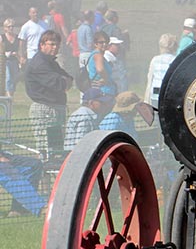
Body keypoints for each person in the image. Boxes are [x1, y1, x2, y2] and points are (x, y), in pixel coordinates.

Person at [23, 30, 73, 162]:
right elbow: (59, 83)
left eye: (57, 45)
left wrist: (65, 81)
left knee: (57, 149)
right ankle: (44, 180)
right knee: (46, 151)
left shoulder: (52, 62)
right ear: (42, 45)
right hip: (45, 110)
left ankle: (54, 179)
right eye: (51, 44)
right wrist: (64, 81)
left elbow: (69, 79)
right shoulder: (39, 63)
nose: (55, 47)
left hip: (56, 109)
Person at [64, 88, 114, 152]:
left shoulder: (87, 114)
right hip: (76, 155)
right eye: (101, 102)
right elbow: (80, 143)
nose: (103, 105)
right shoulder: (85, 117)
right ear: (91, 103)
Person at [145, 33, 178, 109]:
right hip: (169, 95)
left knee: (156, 117)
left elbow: (150, 81)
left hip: (155, 94)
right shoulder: (175, 60)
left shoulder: (155, 60)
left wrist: (146, 100)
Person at [86, 31, 116, 96]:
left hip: (98, 90)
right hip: (103, 92)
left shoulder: (94, 55)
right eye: (101, 42)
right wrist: (105, 79)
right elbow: (100, 69)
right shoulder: (98, 55)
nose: (104, 44)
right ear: (95, 44)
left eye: (106, 42)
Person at [2, 18, 18, 95]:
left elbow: (20, 48)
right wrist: (5, 53)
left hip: (15, 60)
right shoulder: (2, 37)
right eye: (9, 26)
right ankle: (8, 96)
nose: (11, 28)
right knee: (8, 78)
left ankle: (11, 94)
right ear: (5, 28)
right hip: (6, 61)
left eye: (12, 26)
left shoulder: (17, 37)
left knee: (14, 78)